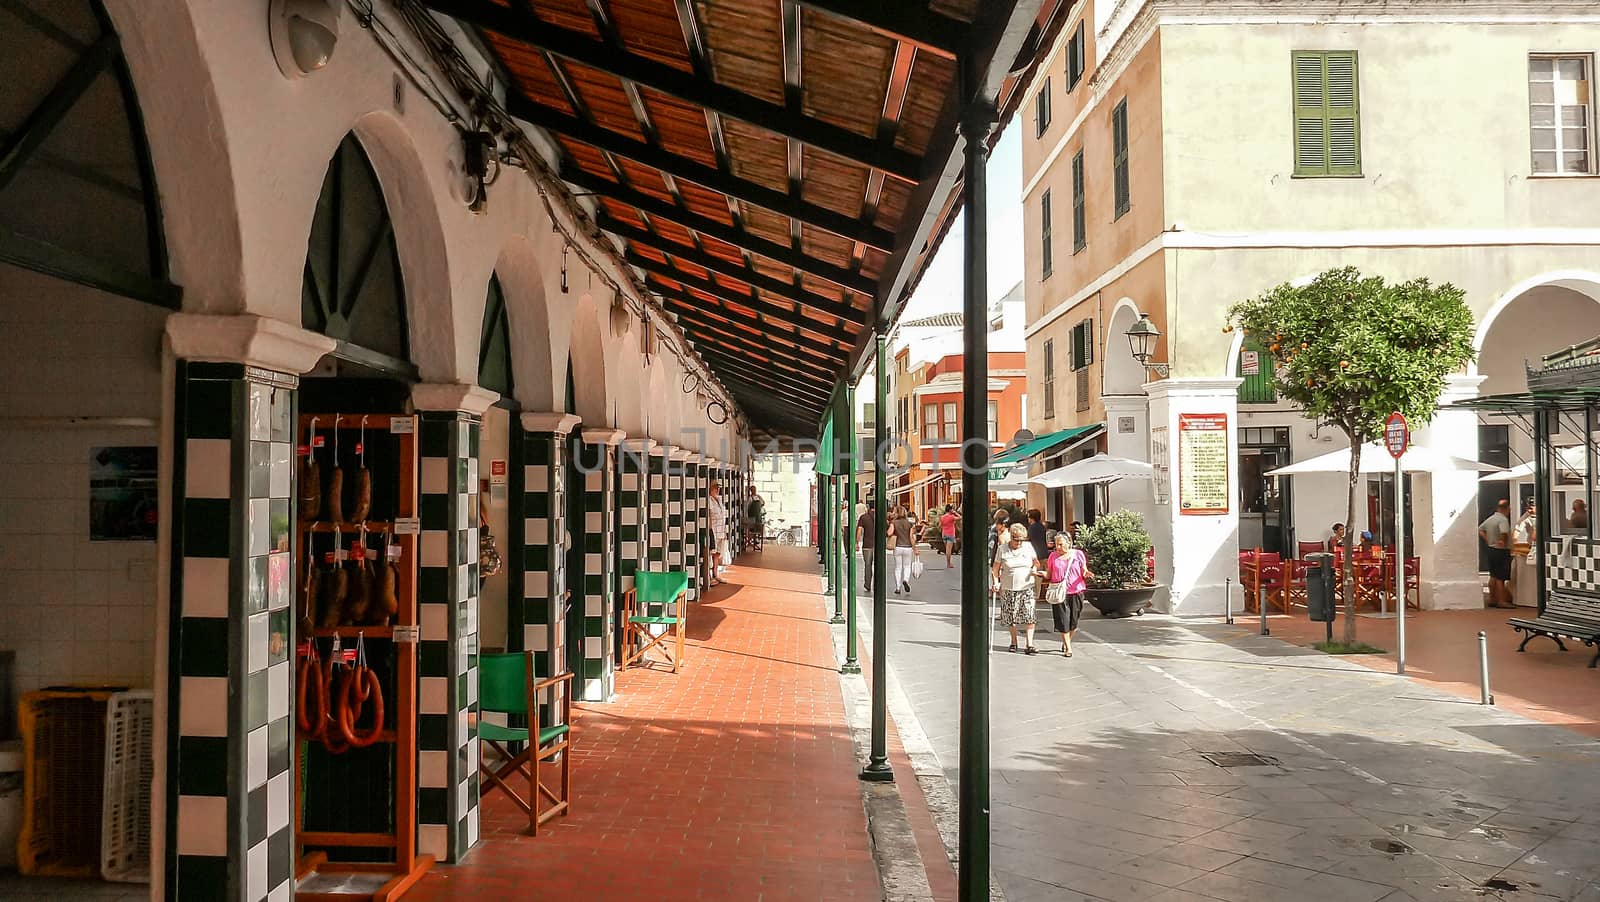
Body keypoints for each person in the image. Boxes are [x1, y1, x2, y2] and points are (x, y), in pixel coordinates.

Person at [992, 523, 1044, 654]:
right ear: (1011, 537)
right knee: (1011, 616)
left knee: (1030, 615)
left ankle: (1029, 644)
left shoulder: (1028, 547)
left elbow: (1036, 562)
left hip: (1027, 586)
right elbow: (995, 569)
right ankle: (1014, 641)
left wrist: (1034, 569)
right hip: (1009, 588)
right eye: (1016, 540)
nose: (1019, 543)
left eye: (1022, 540)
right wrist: (996, 582)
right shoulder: (1002, 549)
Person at [1044, 532, 1093, 657]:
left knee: (1073, 622)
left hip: (1076, 591)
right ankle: (1068, 648)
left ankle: (1067, 642)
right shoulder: (1053, 557)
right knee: (1063, 621)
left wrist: (1087, 573)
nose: (1058, 547)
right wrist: (1039, 574)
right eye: (1056, 545)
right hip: (1060, 593)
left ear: (1069, 543)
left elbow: (1084, 570)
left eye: (1060, 544)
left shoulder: (1078, 554)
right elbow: (1049, 574)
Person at [1479, 498, 1512, 608]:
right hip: (1501, 550)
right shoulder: (1503, 520)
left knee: (1493, 575)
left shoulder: (1491, 519)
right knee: (1500, 577)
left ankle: (1492, 599)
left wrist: (1487, 539)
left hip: (1491, 549)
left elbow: (1480, 529)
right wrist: (1502, 541)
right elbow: (1504, 532)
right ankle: (1502, 600)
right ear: (1507, 509)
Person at [1511, 501, 1537, 608]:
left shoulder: (1545, 516)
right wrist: (1514, 542)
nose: (1529, 510)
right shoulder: (1527, 518)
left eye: (1531, 508)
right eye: (1528, 508)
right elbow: (1517, 531)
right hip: (1533, 547)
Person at [890, 505, 919, 594]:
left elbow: (889, 532)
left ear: (897, 513)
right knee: (907, 566)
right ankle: (906, 580)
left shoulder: (894, 522)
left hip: (898, 547)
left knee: (898, 567)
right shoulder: (910, 523)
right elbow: (911, 537)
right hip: (908, 547)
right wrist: (915, 549)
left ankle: (898, 588)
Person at [707, 482, 728, 586]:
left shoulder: (719, 500)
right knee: (711, 553)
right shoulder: (708, 500)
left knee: (718, 553)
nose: (717, 490)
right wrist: (709, 531)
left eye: (718, 488)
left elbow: (723, 516)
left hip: (721, 531)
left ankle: (716, 573)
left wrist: (725, 531)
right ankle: (709, 576)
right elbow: (709, 516)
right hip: (714, 531)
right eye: (715, 488)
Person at [855, 502, 876, 592]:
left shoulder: (863, 517)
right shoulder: (881, 517)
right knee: (878, 565)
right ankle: (878, 584)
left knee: (868, 565)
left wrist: (857, 543)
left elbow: (859, 530)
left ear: (868, 507)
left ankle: (867, 584)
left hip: (867, 545)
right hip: (878, 545)